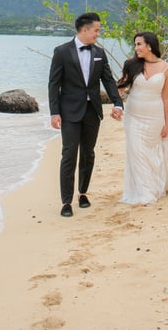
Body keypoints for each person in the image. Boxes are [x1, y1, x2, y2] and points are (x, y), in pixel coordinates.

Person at [48, 12, 124, 217]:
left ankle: (82, 193)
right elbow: (54, 84)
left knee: (88, 154)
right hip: (69, 112)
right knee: (69, 155)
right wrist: (54, 112)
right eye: (96, 30)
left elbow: (108, 80)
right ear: (84, 30)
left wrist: (118, 102)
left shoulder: (99, 53)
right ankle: (66, 201)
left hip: (92, 111)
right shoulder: (62, 52)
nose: (98, 34)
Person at [117, 31, 168, 205]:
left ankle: (154, 184)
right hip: (133, 115)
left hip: (154, 117)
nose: (136, 48)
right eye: (135, 45)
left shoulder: (166, 68)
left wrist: (167, 124)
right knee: (136, 151)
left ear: (149, 45)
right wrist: (117, 104)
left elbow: (166, 97)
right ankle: (144, 192)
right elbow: (120, 88)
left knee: (151, 153)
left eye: (139, 44)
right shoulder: (131, 65)